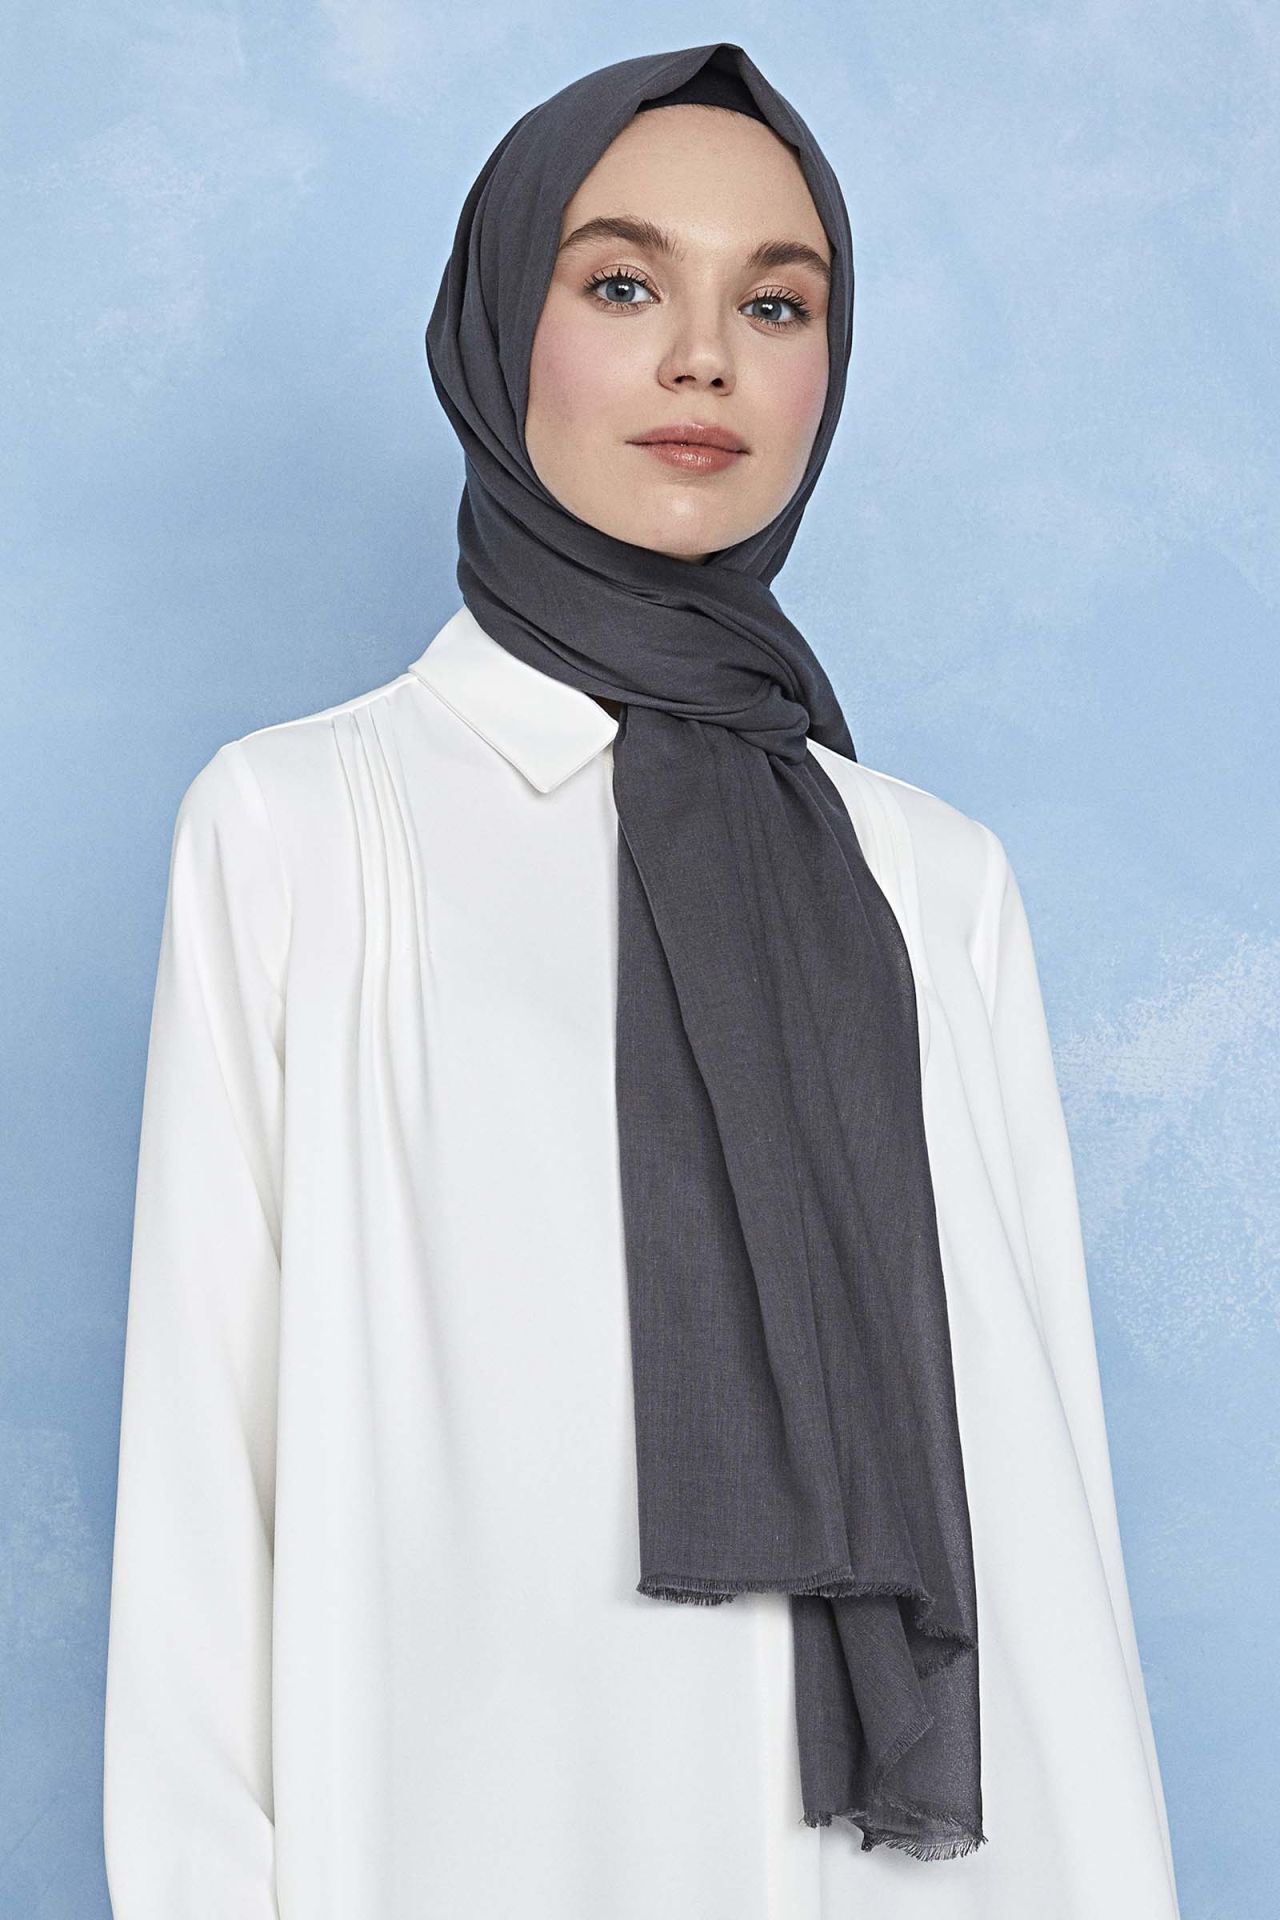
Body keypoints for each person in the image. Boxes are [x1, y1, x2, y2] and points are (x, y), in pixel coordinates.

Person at [102, 41, 1182, 1920]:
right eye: (621, 285)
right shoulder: (304, 829)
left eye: (775, 303)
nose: (704, 360)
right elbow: (206, 1488)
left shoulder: (929, 878)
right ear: (495, 332)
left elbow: (1039, 1496)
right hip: (474, 1849)